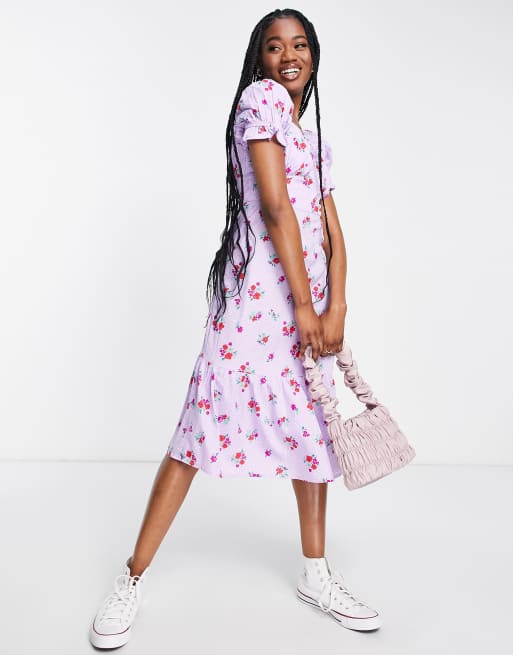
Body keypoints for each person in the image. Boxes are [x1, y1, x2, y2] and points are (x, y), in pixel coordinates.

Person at [89, 8, 382, 649]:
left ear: (314, 56)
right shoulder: (260, 103)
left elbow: (332, 231)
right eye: (275, 46)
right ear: (259, 58)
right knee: (198, 427)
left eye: (300, 44)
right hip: (259, 303)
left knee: (312, 430)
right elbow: (275, 209)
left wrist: (336, 306)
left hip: (311, 303)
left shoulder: (312, 137)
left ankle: (315, 573)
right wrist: (304, 306)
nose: (289, 56)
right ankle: (132, 576)